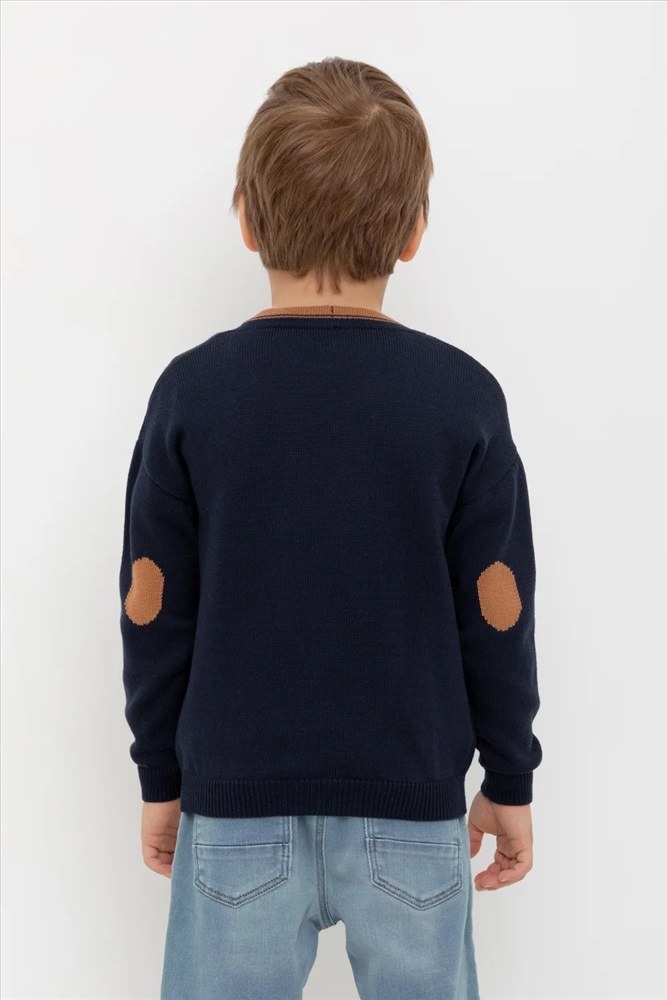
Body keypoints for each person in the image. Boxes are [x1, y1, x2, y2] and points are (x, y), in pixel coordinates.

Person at [119, 56, 543, 1000]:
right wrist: (509, 777)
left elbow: (153, 609)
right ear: (414, 230)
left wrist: (160, 776)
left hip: (235, 817)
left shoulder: (192, 394)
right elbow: (498, 615)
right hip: (411, 814)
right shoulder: (461, 400)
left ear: (245, 217)